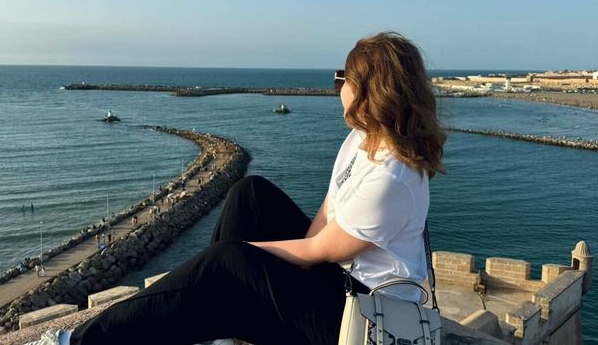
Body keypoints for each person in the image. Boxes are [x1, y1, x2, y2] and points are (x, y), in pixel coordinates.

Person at [63, 32, 445, 344]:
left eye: (342, 79)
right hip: (338, 280)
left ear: (369, 92)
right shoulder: (361, 139)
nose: (337, 87)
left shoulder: (393, 177)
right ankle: (222, 315)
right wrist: (252, 267)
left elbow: (318, 250)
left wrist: (238, 258)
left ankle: (82, 340)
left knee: (227, 260)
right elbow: (326, 215)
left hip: (363, 317)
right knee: (250, 194)